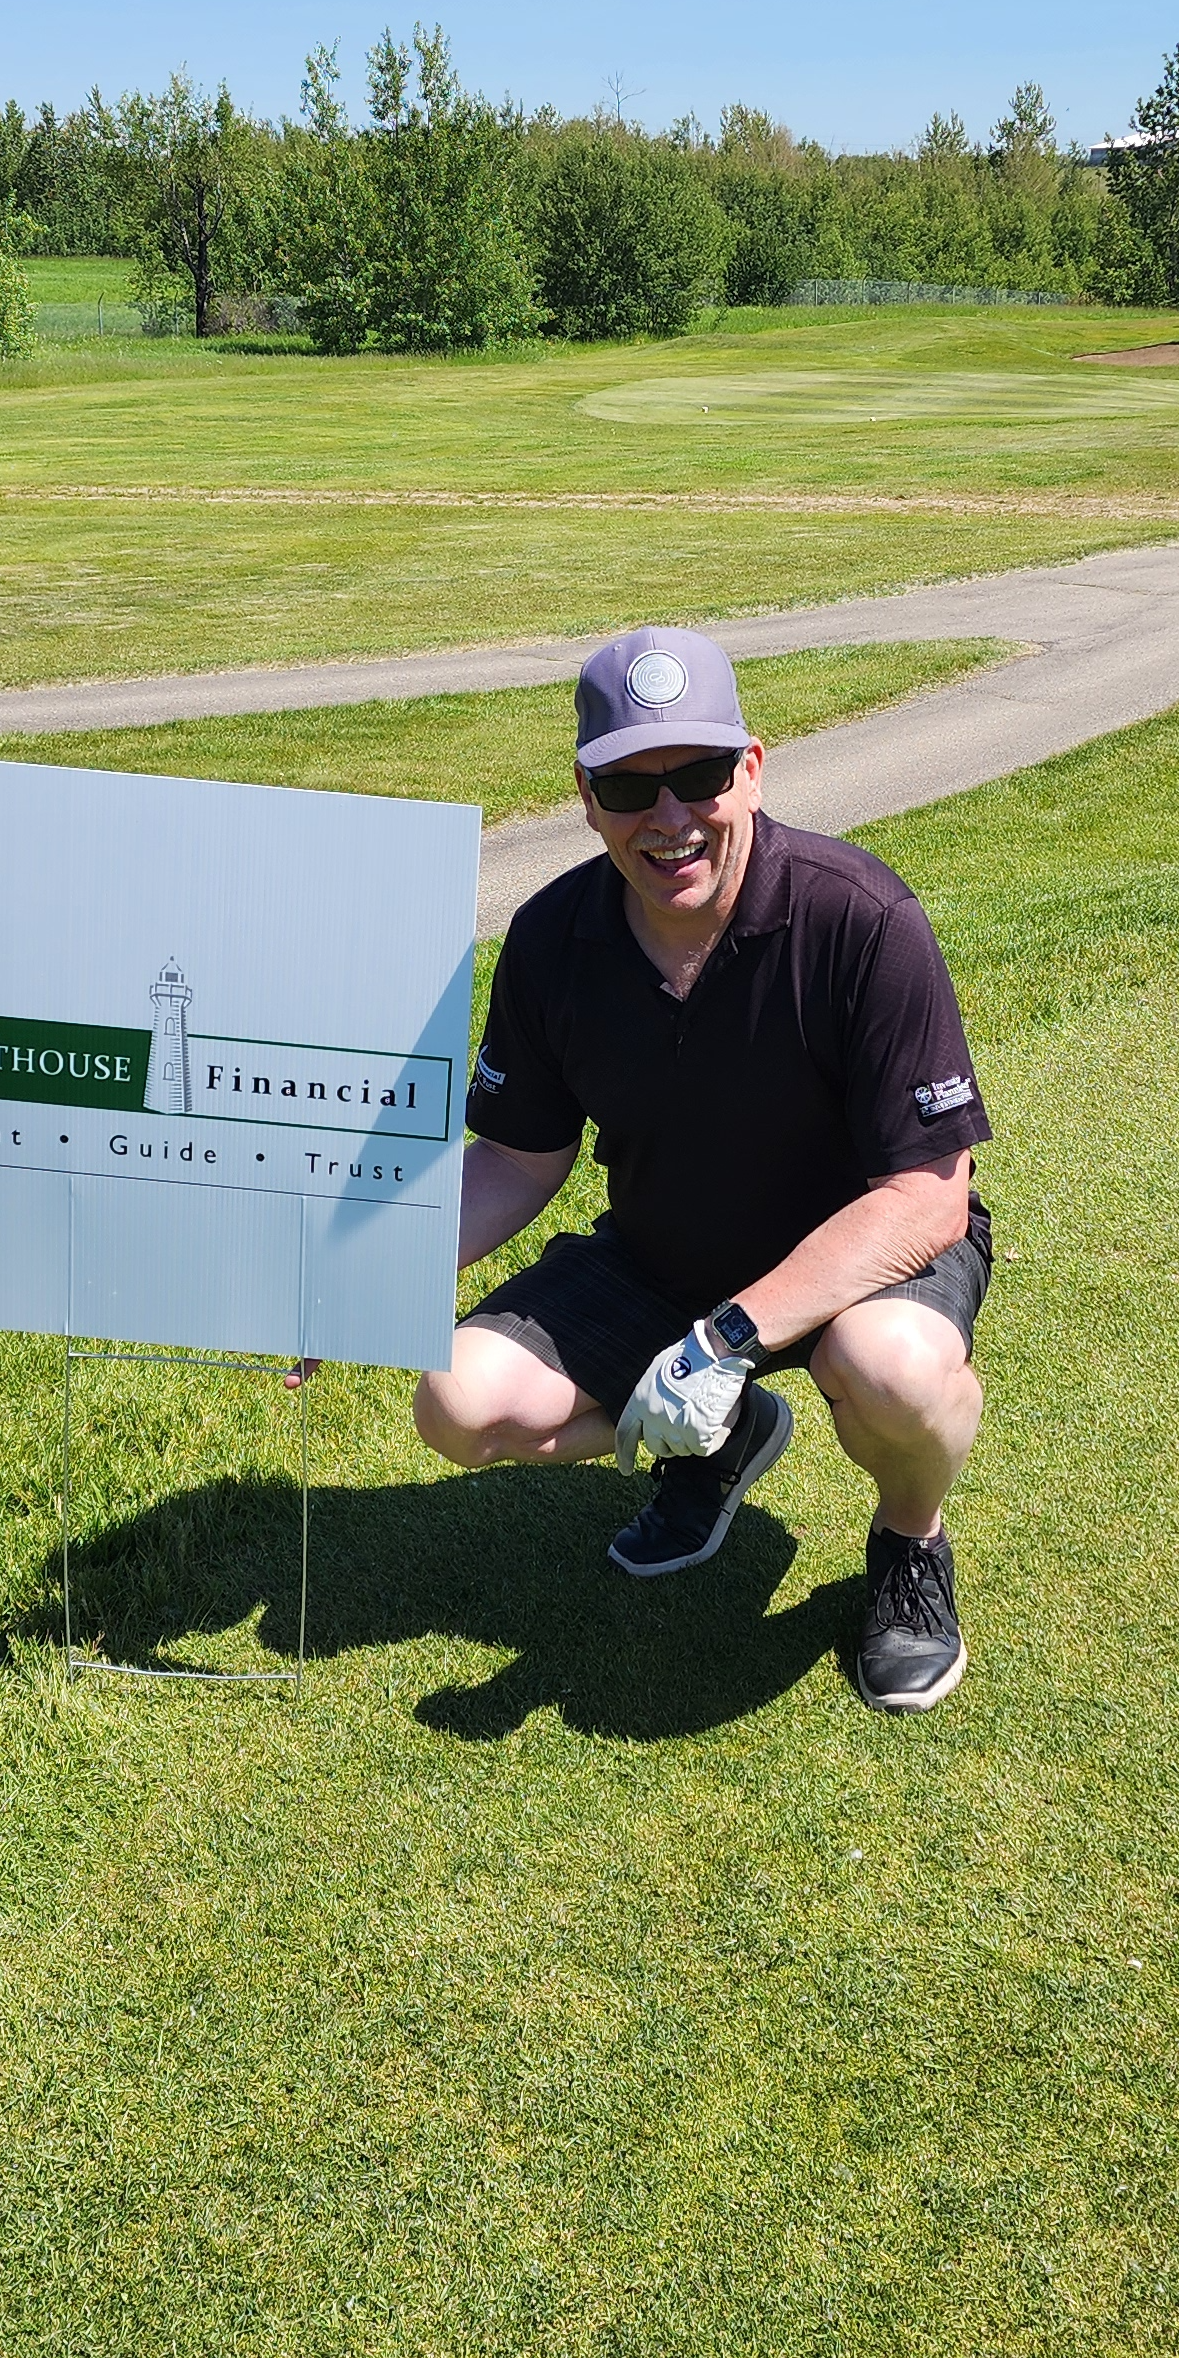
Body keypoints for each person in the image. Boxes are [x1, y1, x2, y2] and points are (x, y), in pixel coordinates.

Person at [412, 625, 996, 1714]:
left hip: (859, 1267)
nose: (668, 815)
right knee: (457, 1403)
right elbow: (517, 1157)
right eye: (630, 785)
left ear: (752, 770)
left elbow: (926, 1194)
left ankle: (909, 1543)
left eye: (697, 775)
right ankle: (725, 1434)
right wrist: (353, 1282)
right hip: (661, 1256)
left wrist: (723, 1340)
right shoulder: (549, 941)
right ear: (583, 795)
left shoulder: (860, 916)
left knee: (896, 1371)